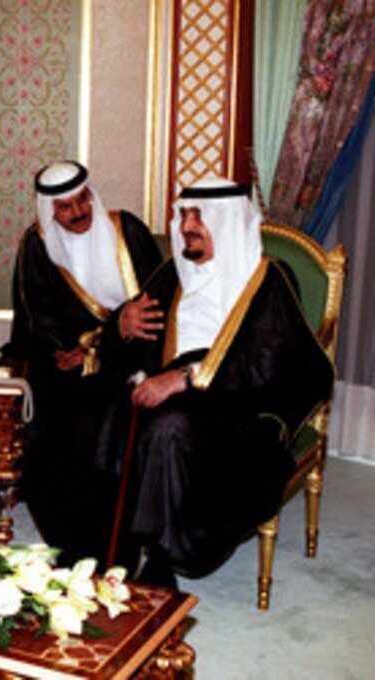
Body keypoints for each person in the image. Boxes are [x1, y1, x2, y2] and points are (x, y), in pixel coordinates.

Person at [104, 177, 334, 587]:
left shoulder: (268, 280)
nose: (188, 225)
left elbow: (273, 365)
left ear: (228, 224)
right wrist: (121, 325)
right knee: (89, 411)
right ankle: (98, 545)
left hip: (237, 408)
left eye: (201, 217)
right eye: (184, 215)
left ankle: (162, 555)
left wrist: (188, 377)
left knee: (169, 429)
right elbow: (132, 334)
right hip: (162, 389)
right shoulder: (173, 273)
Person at [0, 160, 163, 565]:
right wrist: (67, 346)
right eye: (65, 207)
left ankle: (112, 542)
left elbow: (158, 302)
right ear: (50, 210)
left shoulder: (128, 231)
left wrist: (103, 342)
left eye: (83, 199)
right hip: (66, 361)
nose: (79, 212)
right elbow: (37, 317)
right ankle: (69, 538)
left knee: (103, 419)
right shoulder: (37, 245)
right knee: (48, 417)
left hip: (130, 357)